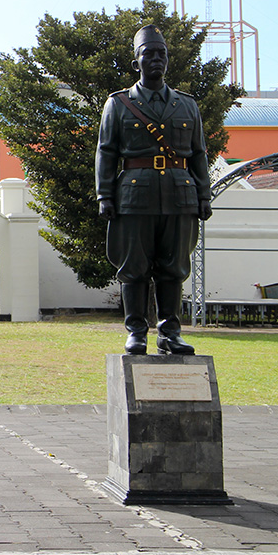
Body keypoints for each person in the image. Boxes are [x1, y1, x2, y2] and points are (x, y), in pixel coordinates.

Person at [95, 24, 212, 356]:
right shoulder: (118, 105)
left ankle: (170, 333)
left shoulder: (187, 106)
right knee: (133, 266)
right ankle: (136, 332)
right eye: (149, 54)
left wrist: (203, 194)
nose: (156, 59)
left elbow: (198, 153)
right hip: (134, 196)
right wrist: (105, 194)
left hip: (179, 195)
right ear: (137, 63)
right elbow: (107, 152)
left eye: (162, 54)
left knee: (174, 266)